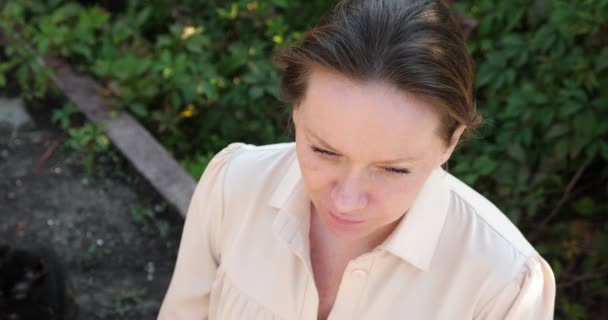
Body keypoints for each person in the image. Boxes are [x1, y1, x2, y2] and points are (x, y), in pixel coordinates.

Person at [158, 0, 556, 319]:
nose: (346, 201)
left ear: (450, 142)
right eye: (324, 151)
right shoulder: (235, 185)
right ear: (297, 108)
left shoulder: (503, 284)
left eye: (394, 169)